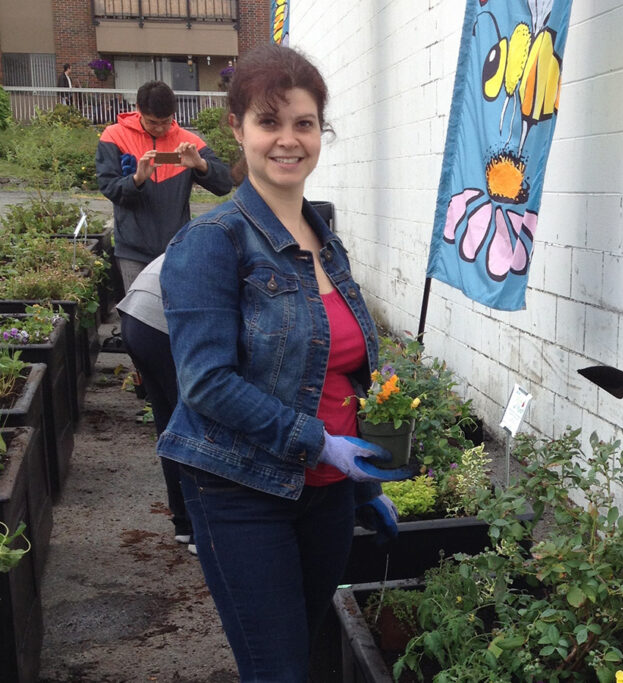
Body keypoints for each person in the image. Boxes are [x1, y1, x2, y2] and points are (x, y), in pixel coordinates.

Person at [156, 43, 408, 682]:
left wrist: (364, 484)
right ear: (237, 129)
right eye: (270, 123)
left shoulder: (326, 241)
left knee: (309, 652)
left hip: (325, 495)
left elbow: (348, 371)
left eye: (304, 123)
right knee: (278, 671)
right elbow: (207, 383)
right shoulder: (211, 244)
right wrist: (320, 442)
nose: (288, 141)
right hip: (243, 494)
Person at [95, 80, 232, 294]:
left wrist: (200, 164)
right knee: (137, 318)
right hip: (132, 250)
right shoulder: (114, 137)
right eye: (152, 122)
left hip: (177, 249)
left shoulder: (188, 141)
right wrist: (137, 179)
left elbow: (224, 184)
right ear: (138, 110)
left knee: (177, 314)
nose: (160, 128)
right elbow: (108, 187)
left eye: (166, 122)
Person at [115, 254, 195, 554]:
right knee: (195, 428)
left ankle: (184, 524)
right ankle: (201, 530)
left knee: (170, 425)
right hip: (159, 322)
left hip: (136, 315)